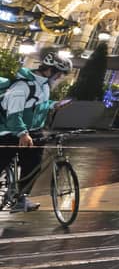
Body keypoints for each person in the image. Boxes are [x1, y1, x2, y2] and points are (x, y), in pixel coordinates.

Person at [0, 51, 74, 212]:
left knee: (33, 166)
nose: (60, 77)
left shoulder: (44, 86)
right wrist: (22, 133)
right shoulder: (22, 85)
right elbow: (13, 114)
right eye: (60, 73)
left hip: (33, 130)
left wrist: (53, 105)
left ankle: (20, 199)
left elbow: (38, 106)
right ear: (50, 70)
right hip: (10, 132)